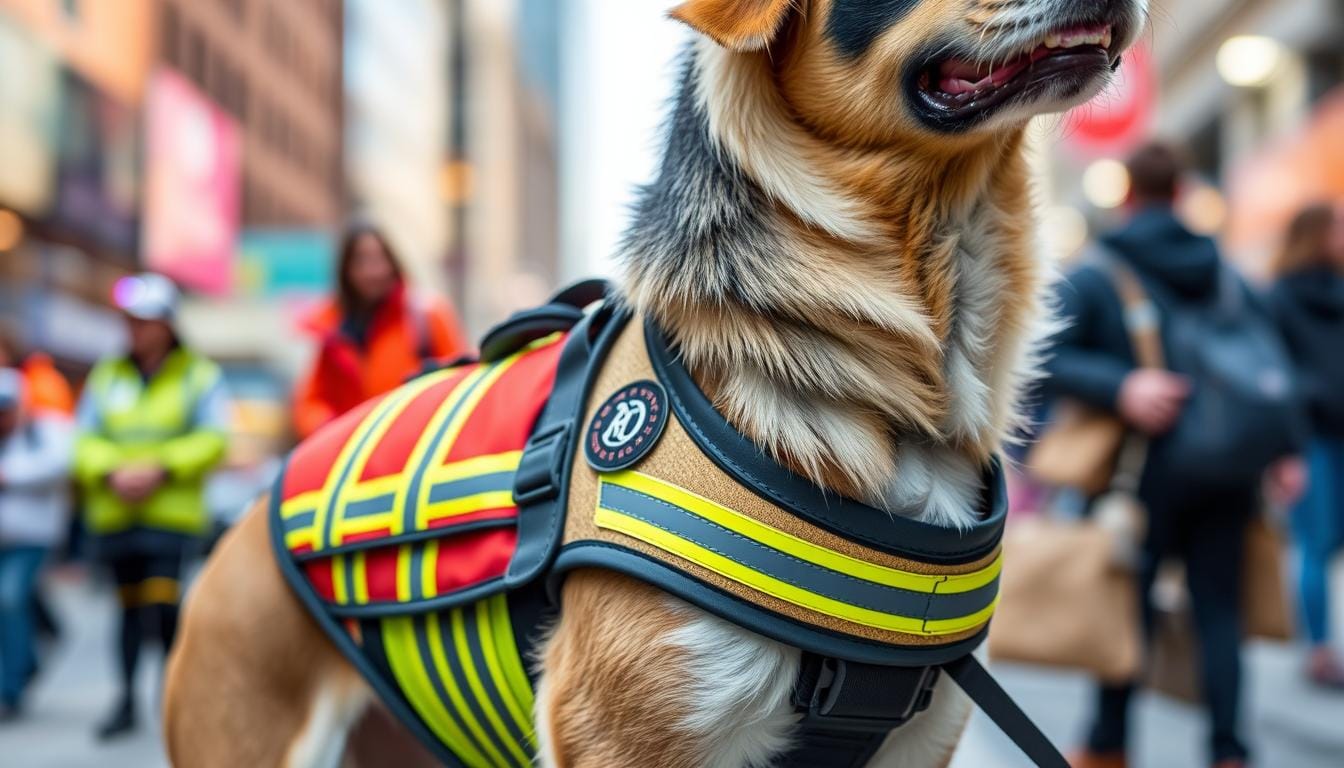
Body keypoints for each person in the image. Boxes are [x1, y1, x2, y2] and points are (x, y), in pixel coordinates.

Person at [1044, 143, 1301, 768]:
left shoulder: (1101, 270)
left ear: (1126, 196)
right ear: (1182, 193)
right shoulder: (1224, 268)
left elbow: (1042, 354)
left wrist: (1121, 386)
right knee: (1219, 612)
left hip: (1141, 469)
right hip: (1226, 467)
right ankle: (1229, 751)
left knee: (1126, 610)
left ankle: (1107, 747)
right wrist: (1286, 451)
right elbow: (1270, 355)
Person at [73, 273, 229, 739]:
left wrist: (159, 467)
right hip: (117, 513)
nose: (137, 331)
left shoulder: (199, 376)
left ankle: (174, 695)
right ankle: (126, 700)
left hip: (170, 516)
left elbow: (214, 438)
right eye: (131, 321)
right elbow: (82, 440)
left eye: (146, 321)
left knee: (161, 607)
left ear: (167, 324)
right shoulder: (108, 375)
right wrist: (112, 472)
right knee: (126, 610)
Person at [293, 225, 468, 438]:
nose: (372, 271)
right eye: (361, 261)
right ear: (346, 270)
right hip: (355, 453)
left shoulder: (427, 317)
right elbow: (310, 403)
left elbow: (461, 384)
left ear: (393, 262)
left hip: (414, 447)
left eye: (379, 259)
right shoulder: (334, 331)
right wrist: (329, 430)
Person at [1268, 202, 1344, 689]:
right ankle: (1319, 649)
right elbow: (1276, 376)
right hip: (1309, 438)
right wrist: (1284, 450)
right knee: (1314, 545)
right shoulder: (1279, 297)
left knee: (1324, 543)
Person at [0, 368, 73, 721]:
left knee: (10, 596)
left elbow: (62, 463)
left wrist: (11, 475)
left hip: (33, 538)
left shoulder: (44, 431)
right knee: (15, 602)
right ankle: (31, 652)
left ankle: (10, 689)